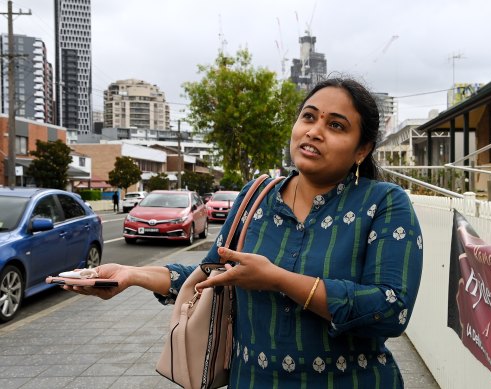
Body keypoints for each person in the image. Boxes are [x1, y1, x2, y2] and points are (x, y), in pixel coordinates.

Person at [64, 77, 424, 388]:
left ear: (362, 149)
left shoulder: (384, 203)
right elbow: (213, 276)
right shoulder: (257, 197)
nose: (314, 131)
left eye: (336, 126)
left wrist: (278, 280)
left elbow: (390, 310)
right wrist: (133, 275)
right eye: (309, 117)